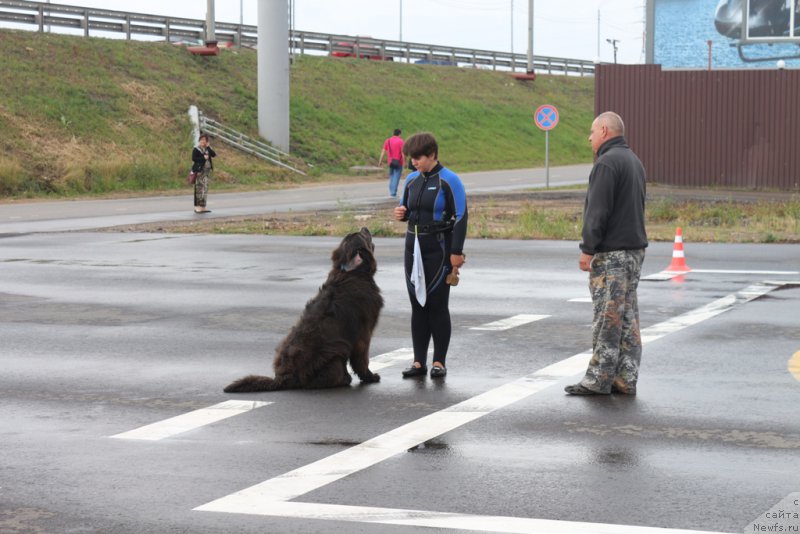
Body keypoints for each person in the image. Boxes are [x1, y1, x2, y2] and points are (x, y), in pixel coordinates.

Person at [565, 111, 648, 396]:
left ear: (603, 130)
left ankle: (598, 378)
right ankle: (625, 377)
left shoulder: (606, 163)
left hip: (612, 253)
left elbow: (597, 212)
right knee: (627, 317)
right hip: (635, 251)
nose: (589, 138)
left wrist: (588, 249)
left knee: (607, 316)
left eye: (591, 132)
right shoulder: (634, 161)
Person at [393, 132, 468, 379]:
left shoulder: (450, 180)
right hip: (412, 246)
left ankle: (439, 361)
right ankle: (418, 362)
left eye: (418, 157)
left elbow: (461, 216)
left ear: (433, 155)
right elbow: (407, 209)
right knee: (417, 305)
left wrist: (456, 252)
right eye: (411, 158)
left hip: (439, 248)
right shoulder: (412, 180)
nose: (413, 162)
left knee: (437, 305)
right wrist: (401, 213)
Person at [192, 133, 216, 213]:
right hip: (199, 172)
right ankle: (197, 207)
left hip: (206, 172)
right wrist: (203, 158)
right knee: (199, 189)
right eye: (202, 140)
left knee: (205, 189)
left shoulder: (207, 149)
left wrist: (208, 147)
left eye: (205, 140)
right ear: (199, 140)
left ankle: (203, 206)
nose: (203, 141)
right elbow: (194, 159)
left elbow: (214, 155)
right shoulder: (196, 149)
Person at [377, 128, 404, 197]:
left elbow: (383, 151)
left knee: (392, 176)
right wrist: (405, 161)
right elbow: (402, 153)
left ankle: (392, 191)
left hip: (390, 162)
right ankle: (393, 193)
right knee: (396, 177)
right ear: (399, 134)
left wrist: (380, 161)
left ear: (393, 133)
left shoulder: (388, 141)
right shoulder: (401, 141)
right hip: (399, 162)